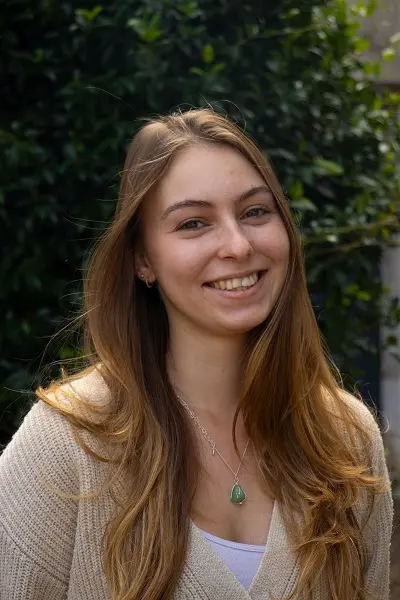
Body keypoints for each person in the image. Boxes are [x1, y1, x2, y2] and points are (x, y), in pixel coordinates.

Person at [0, 108, 393, 600]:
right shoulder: (69, 442)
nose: (237, 245)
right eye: (193, 223)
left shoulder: (346, 439)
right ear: (143, 260)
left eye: (255, 212)